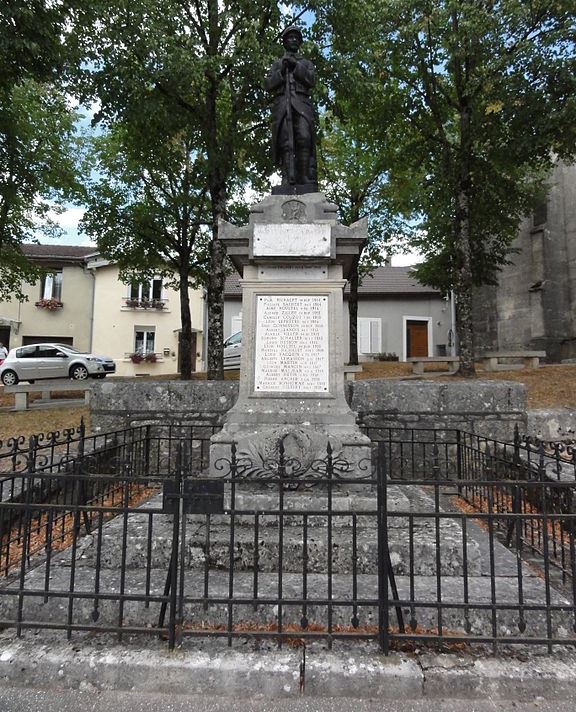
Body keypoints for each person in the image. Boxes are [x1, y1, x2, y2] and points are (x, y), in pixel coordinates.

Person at [264, 25, 317, 191]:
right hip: (283, 106)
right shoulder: (277, 64)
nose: (293, 40)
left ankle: (304, 178)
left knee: (304, 137)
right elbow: (268, 84)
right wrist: (282, 70)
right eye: (290, 37)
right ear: (285, 41)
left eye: (296, 38)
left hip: (301, 105)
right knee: (285, 142)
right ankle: (287, 177)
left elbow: (311, 80)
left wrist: (296, 66)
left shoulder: (306, 63)